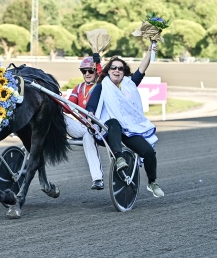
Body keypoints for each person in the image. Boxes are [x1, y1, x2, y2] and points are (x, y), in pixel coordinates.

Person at [85, 44, 164, 198]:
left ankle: (152, 182)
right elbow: (92, 106)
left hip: (128, 129)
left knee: (149, 152)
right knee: (114, 122)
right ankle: (119, 158)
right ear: (108, 71)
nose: (117, 70)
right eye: (113, 67)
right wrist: (89, 117)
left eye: (120, 68)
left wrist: (149, 50)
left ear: (124, 72)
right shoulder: (101, 87)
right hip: (107, 130)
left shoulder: (130, 85)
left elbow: (142, 67)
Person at [64, 53, 104, 190]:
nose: (87, 74)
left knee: (88, 136)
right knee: (59, 117)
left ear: (95, 72)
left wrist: (98, 64)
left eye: (90, 71)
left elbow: (105, 78)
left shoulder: (101, 86)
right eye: (84, 71)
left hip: (95, 127)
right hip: (79, 125)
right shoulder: (78, 88)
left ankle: (97, 178)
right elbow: (68, 106)